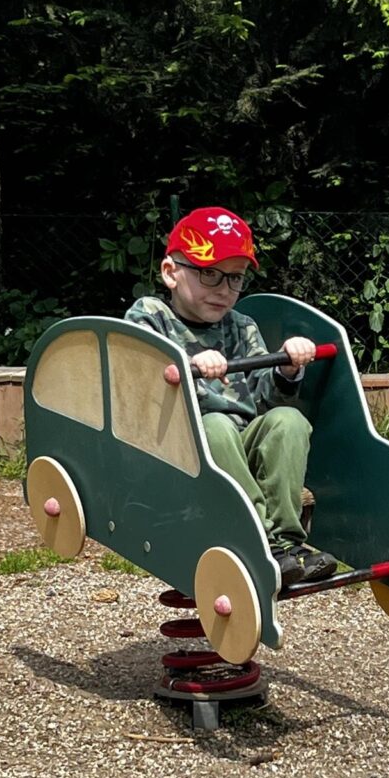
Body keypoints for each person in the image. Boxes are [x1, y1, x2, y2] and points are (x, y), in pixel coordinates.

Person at [124, 205, 337, 587]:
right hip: (177, 450)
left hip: (237, 446)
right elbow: (141, 379)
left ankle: (287, 543)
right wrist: (187, 362)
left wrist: (287, 368)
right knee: (216, 425)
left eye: (235, 278)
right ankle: (258, 538)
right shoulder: (150, 316)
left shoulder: (240, 326)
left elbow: (265, 402)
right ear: (171, 272)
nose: (224, 290)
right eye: (210, 274)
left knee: (288, 421)